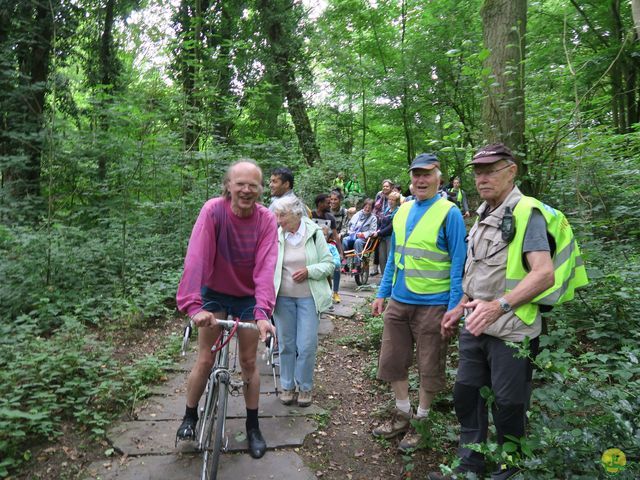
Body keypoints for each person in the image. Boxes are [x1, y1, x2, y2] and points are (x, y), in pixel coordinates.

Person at [431, 144, 588, 480]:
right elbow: (479, 272)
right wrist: (460, 305)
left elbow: (543, 273)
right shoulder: (485, 212)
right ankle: (469, 464)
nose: (482, 178)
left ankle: (509, 468)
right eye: (478, 172)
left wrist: (499, 306)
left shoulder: (525, 212)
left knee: (509, 403)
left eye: (491, 170)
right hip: (476, 324)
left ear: (511, 171)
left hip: (513, 329)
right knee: (467, 394)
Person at [175, 160, 278, 459]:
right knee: (205, 359)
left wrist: (262, 313)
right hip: (214, 292)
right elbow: (197, 257)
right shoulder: (213, 211)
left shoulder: (266, 219)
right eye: (240, 183)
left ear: (260, 189)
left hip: (248, 297)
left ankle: (253, 426)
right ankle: (189, 417)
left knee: (248, 362)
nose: (246, 190)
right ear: (229, 186)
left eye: (253, 185)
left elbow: (266, 266)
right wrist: (193, 306)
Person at [371, 152, 466, 452]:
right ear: (410, 179)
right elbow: (394, 259)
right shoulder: (402, 211)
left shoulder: (449, 213)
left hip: (434, 304)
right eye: (416, 175)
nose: (421, 180)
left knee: (429, 365)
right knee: (392, 359)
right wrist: (381, 293)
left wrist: (453, 307)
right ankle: (402, 412)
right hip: (399, 300)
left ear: (439, 178)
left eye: (427, 174)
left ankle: (421, 422)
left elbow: (458, 265)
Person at [271, 195, 334, 407]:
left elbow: (329, 264)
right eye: (277, 215)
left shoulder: (315, 234)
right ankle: (287, 386)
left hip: (309, 298)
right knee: (287, 345)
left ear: (297, 214)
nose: (279, 220)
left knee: (306, 345)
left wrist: (309, 271)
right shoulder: (276, 235)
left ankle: (305, 386)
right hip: (283, 299)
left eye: (283, 215)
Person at [341, 198, 377, 274]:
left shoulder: (373, 218)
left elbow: (372, 231)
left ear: (372, 209)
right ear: (363, 206)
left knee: (358, 241)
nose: (367, 209)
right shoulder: (357, 214)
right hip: (353, 236)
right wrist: (351, 231)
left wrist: (363, 234)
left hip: (363, 239)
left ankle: (357, 265)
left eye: (369, 208)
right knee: (344, 240)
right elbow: (350, 225)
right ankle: (345, 263)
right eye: (366, 207)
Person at [371, 191, 401, 279]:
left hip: (391, 238)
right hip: (382, 237)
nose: (390, 201)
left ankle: (391, 278)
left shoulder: (398, 211)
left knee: (389, 258)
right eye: (390, 199)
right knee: (382, 258)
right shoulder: (387, 210)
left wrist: (379, 233)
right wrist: (378, 230)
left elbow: (391, 227)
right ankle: (384, 277)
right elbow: (381, 222)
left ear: (397, 201)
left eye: (393, 200)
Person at [371, 179, 393, 276]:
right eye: (384, 186)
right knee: (380, 252)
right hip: (379, 223)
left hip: (389, 227)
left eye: (387, 186)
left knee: (389, 254)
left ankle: (390, 276)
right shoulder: (379, 195)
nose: (385, 188)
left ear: (391, 187)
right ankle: (382, 274)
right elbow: (375, 209)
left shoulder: (394, 197)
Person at [312, 193, 344, 259]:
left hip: (324, 247)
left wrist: (341, 252)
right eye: (328, 203)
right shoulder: (310, 216)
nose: (330, 205)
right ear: (320, 203)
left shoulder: (330, 218)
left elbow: (336, 236)